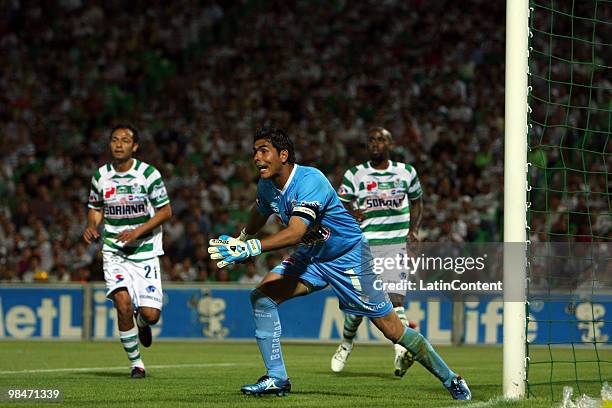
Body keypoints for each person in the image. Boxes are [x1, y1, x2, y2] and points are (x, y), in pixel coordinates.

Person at [208, 127, 471, 400]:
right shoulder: (267, 185)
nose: (257, 158)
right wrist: (243, 236)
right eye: (255, 152)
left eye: (264, 151)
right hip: (313, 256)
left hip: (349, 257)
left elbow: (297, 231)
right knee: (262, 298)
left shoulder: (311, 180)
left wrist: (252, 247)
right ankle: (277, 378)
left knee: (393, 330)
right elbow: (261, 209)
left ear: (283, 155)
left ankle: (451, 378)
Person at [331, 127, 423, 377]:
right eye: (371, 139)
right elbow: (340, 202)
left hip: (395, 246)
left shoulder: (406, 172)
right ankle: (346, 344)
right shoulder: (355, 174)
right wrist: (351, 212)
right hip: (364, 247)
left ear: (390, 144)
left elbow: (417, 200)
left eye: (381, 139)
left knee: (395, 300)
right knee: (359, 306)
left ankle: (400, 350)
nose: (375, 143)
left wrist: (413, 231)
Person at [83, 125, 172, 379]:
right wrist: (91, 225)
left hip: (144, 250)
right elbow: (95, 206)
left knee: (151, 315)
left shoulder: (148, 174)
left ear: (134, 147)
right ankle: (137, 364)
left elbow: (166, 211)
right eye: (114, 140)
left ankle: (142, 324)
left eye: (125, 140)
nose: (118, 144)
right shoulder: (100, 176)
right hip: (114, 251)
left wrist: (137, 231)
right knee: (122, 304)